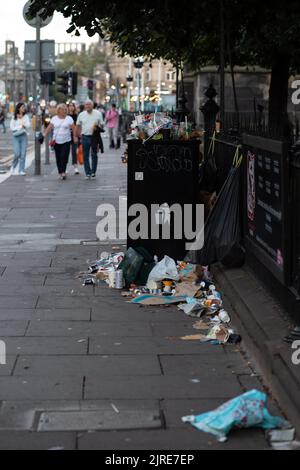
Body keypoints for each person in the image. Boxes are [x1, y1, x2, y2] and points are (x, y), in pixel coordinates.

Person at [44, 103, 77, 180]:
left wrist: (75, 137)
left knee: (64, 156)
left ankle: (63, 172)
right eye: (63, 110)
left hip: (66, 140)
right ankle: (60, 172)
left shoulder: (69, 119)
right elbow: (49, 127)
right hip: (56, 141)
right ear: (58, 110)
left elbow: (74, 128)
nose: (65, 111)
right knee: (58, 157)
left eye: (66, 110)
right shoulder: (54, 118)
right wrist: (44, 134)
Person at [77, 99, 104, 180]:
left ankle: (93, 172)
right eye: (87, 104)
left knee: (94, 154)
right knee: (85, 156)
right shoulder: (81, 114)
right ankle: (87, 172)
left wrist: (97, 128)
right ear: (85, 106)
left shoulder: (98, 113)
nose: (88, 106)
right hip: (84, 136)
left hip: (94, 137)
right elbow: (78, 125)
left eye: (89, 104)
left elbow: (102, 125)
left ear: (92, 105)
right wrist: (78, 135)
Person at [10, 103, 31, 176]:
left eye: (24, 107)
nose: (24, 108)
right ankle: (13, 166)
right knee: (17, 153)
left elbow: (28, 125)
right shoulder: (14, 117)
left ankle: (21, 170)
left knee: (23, 154)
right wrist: (20, 127)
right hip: (16, 136)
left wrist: (22, 121)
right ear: (18, 108)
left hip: (23, 136)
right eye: (22, 107)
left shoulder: (26, 116)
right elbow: (12, 128)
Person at [68, 102, 79, 174]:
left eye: (72, 106)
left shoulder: (76, 115)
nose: (71, 107)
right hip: (66, 135)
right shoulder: (66, 116)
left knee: (74, 151)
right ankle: (64, 167)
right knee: (65, 152)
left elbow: (78, 125)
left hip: (74, 135)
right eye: (70, 106)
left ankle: (75, 166)